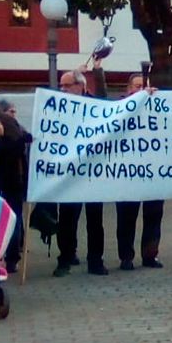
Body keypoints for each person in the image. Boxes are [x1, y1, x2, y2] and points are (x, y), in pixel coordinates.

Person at [52, 69, 109, 276]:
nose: (62, 89)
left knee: (95, 220)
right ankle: (65, 259)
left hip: (93, 173)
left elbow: (110, 107)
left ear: (81, 86)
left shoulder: (96, 105)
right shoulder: (57, 107)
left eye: (67, 85)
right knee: (67, 218)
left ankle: (95, 260)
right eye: (61, 86)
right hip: (69, 173)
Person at [112, 72, 166, 269]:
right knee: (126, 218)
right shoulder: (119, 107)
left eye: (143, 86)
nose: (140, 89)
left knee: (153, 216)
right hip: (127, 174)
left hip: (154, 173)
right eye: (136, 86)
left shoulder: (159, 108)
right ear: (129, 89)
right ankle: (126, 257)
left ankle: (150, 256)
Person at [0, 96, 32, 273]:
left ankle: (12, 257)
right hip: (3, 182)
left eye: (15, 112)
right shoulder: (3, 135)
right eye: (10, 112)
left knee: (14, 220)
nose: (13, 115)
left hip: (16, 182)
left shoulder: (19, 129)